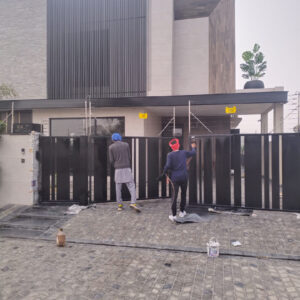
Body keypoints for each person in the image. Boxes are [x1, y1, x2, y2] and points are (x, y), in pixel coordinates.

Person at [158, 138, 196, 222]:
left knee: (174, 196)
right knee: (183, 194)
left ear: (171, 147)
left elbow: (167, 166)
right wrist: (193, 146)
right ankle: (182, 212)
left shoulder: (170, 155)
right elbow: (193, 153)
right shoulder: (183, 152)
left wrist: (163, 174)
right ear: (178, 145)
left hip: (175, 178)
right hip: (184, 177)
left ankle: (174, 216)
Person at [109, 133, 139, 212]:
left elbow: (111, 160)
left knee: (118, 188)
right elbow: (129, 156)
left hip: (118, 169)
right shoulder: (126, 145)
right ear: (120, 138)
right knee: (131, 186)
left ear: (113, 139)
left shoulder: (111, 147)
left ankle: (119, 205)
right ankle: (133, 203)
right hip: (127, 168)